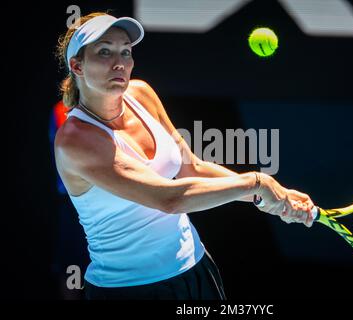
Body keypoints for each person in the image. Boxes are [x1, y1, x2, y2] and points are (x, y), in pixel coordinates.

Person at [54, 12, 315, 300]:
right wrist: (256, 183)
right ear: (77, 66)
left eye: (125, 51)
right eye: (104, 51)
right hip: (130, 291)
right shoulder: (75, 141)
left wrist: (268, 196)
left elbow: (192, 169)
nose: (120, 62)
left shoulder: (141, 94)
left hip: (196, 270)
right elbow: (169, 198)